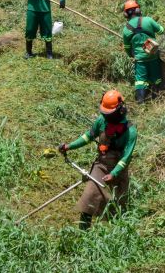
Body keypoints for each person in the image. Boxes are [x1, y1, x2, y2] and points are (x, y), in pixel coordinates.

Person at [58, 90, 137, 229]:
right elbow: (89, 136)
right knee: (89, 199)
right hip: (101, 165)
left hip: (119, 171)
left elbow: (127, 156)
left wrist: (114, 173)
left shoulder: (130, 131)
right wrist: (69, 146)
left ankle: (114, 238)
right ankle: (83, 233)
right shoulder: (102, 121)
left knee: (116, 208)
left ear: (119, 111)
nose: (105, 116)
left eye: (109, 114)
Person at [121, 0, 165, 103]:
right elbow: (161, 30)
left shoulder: (126, 29)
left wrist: (131, 55)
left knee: (140, 79)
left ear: (126, 14)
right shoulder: (148, 20)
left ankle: (140, 100)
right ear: (138, 10)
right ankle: (157, 97)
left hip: (140, 59)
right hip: (153, 55)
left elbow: (127, 48)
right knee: (156, 76)